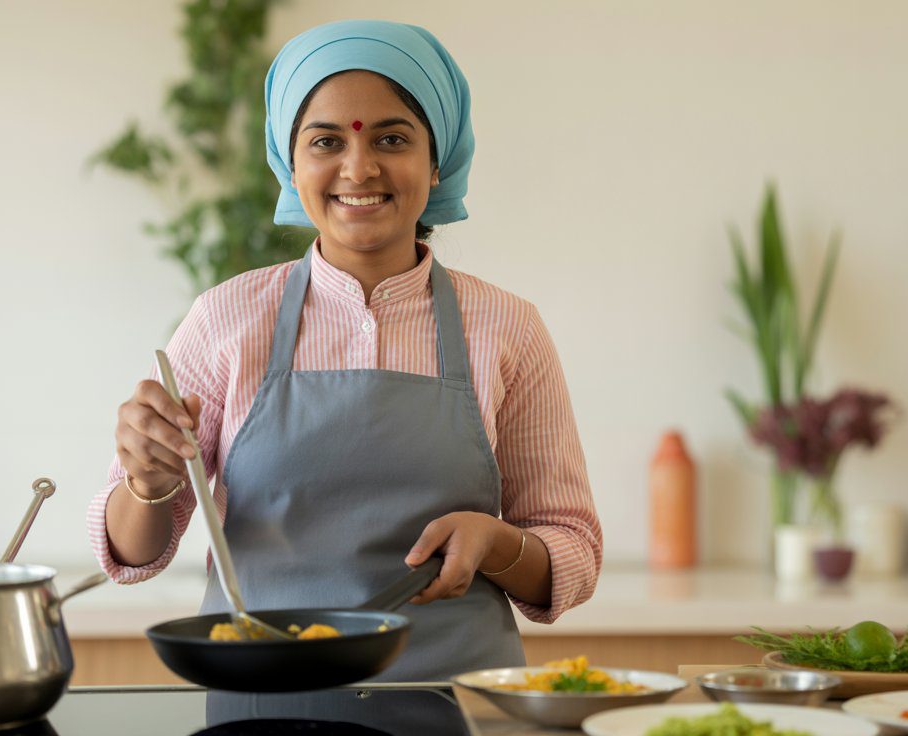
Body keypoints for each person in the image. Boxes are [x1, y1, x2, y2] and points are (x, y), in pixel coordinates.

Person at [87, 19, 602, 725]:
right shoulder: (227, 319)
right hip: (264, 707)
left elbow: (572, 553)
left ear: (439, 160)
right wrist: (147, 484)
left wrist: (502, 544)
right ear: (290, 166)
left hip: (458, 706)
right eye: (327, 141)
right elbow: (133, 550)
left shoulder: (507, 327)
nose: (358, 168)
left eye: (391, 138)